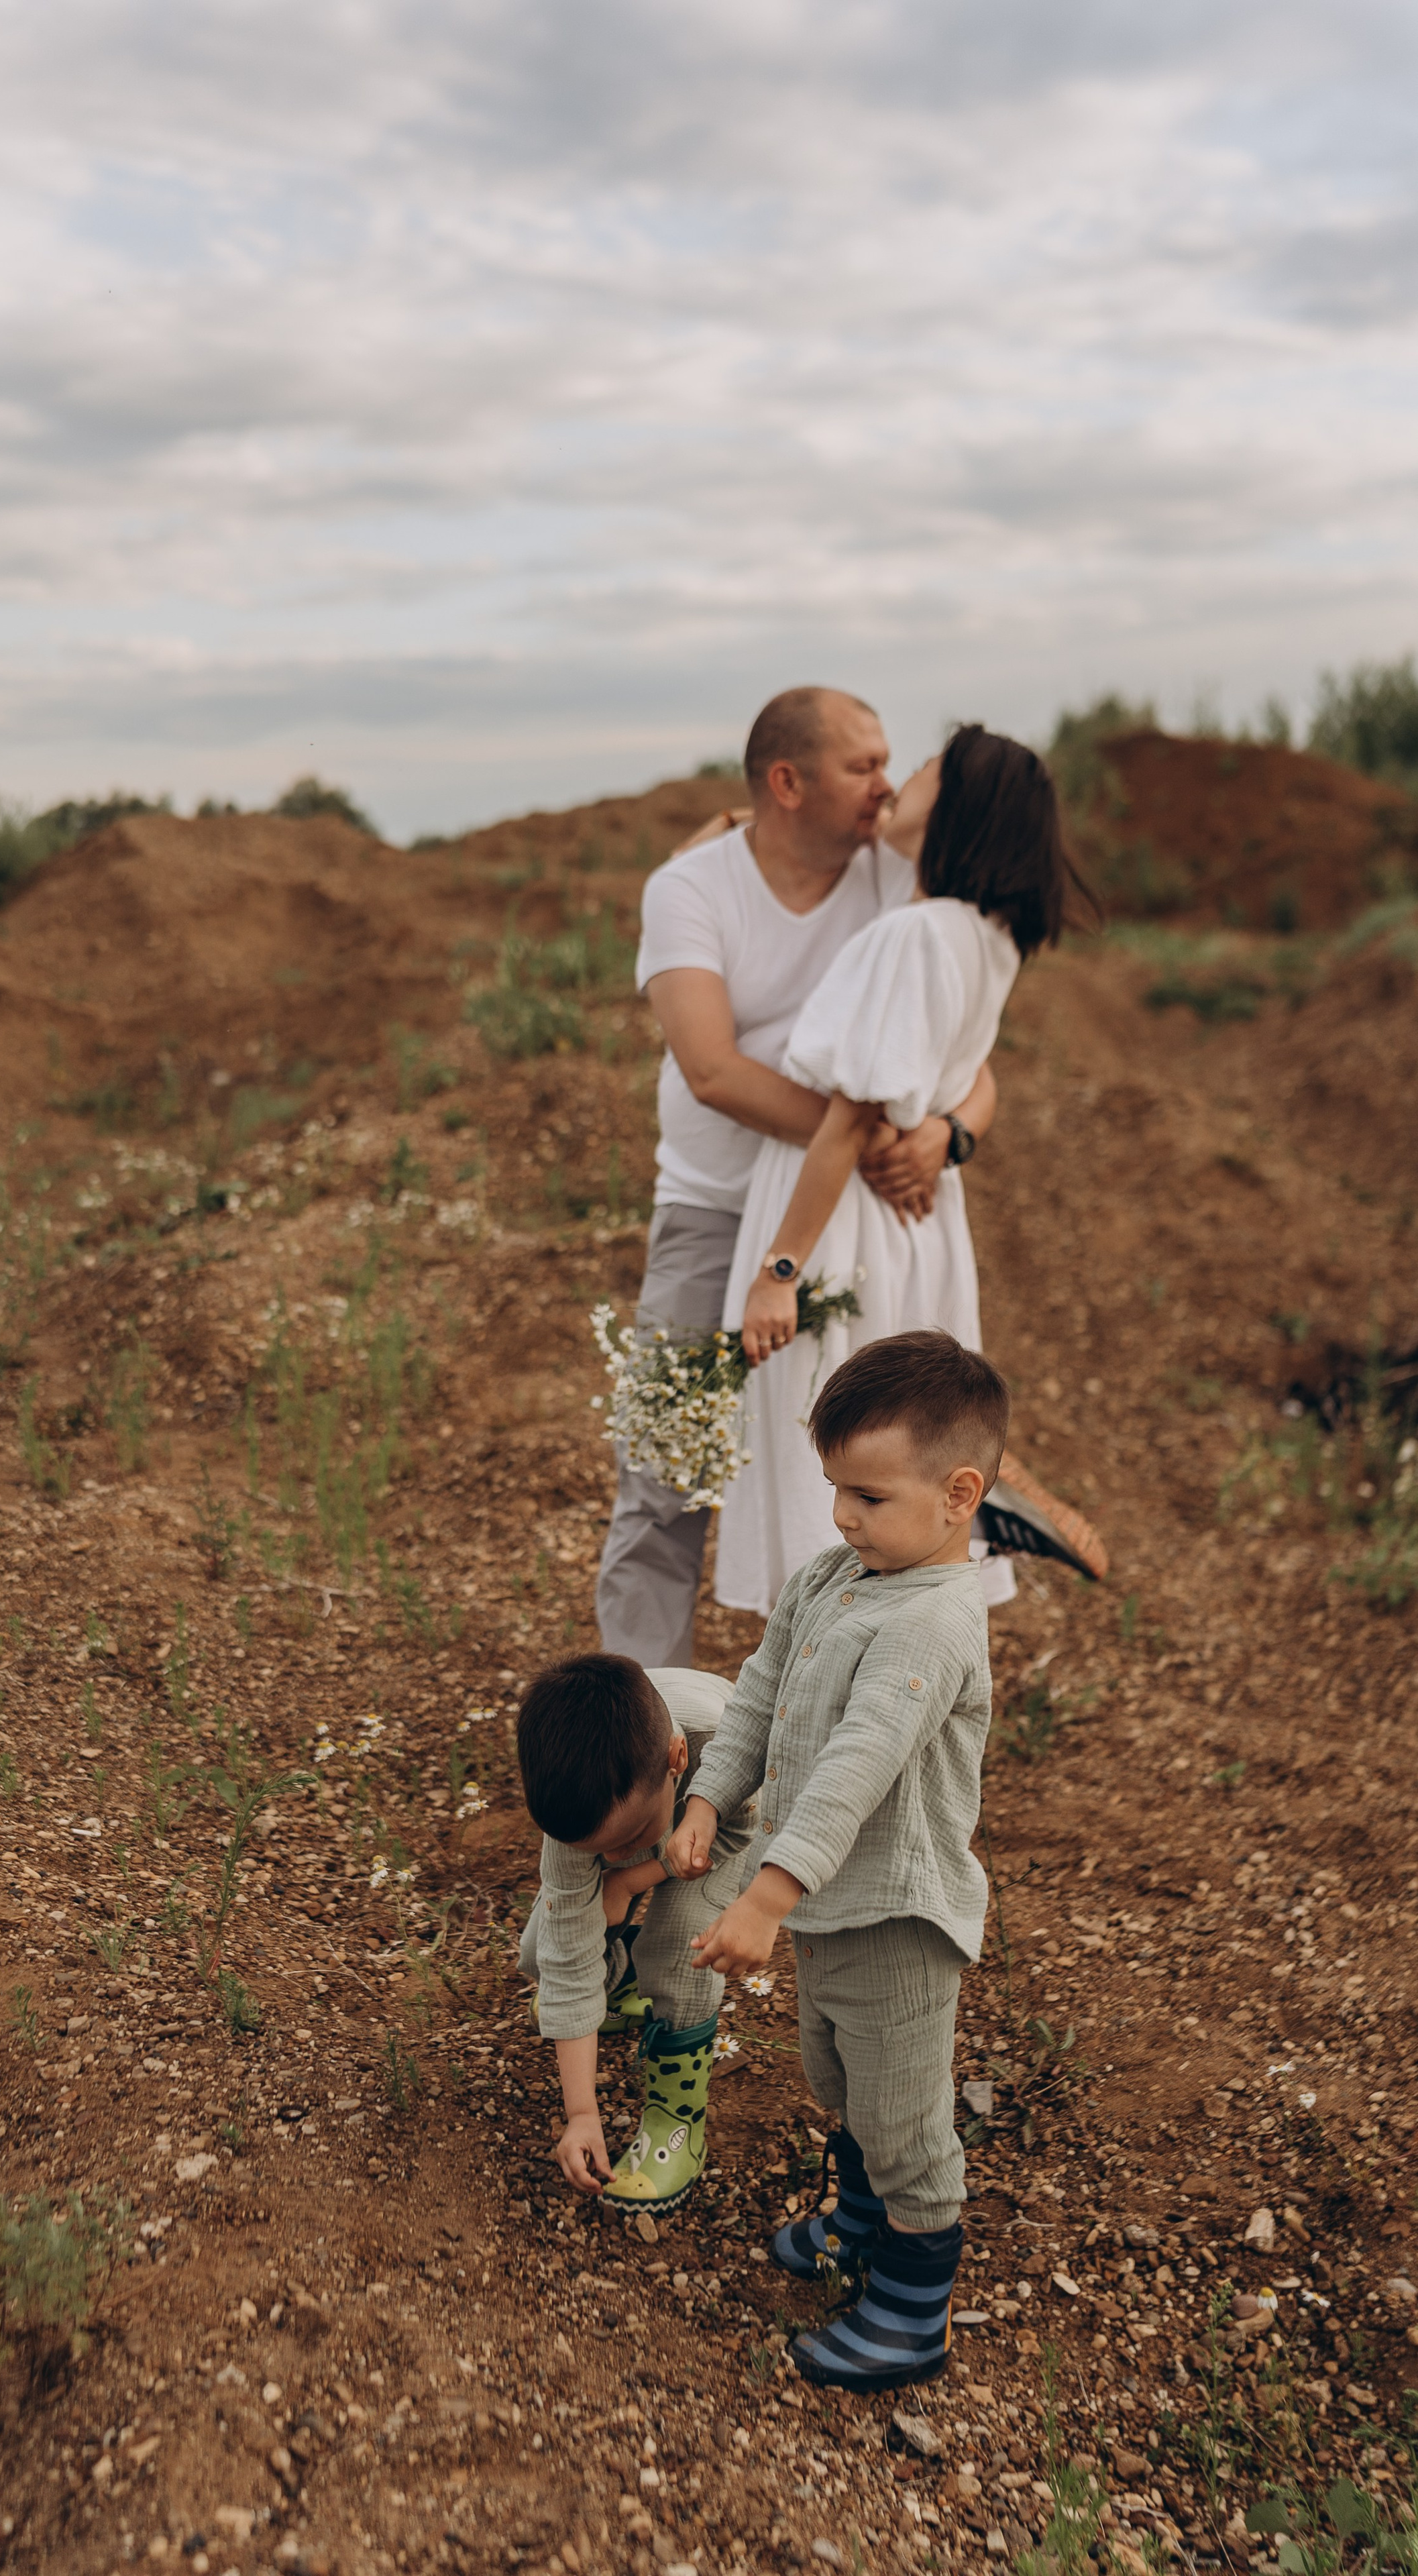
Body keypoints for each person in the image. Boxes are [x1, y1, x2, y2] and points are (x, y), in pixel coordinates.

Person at [597, 687, 997, 1669]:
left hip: (846, 1224)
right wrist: (861, 1132)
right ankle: (647, 1724)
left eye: (891, 764)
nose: (887, 785)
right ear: (788, 782)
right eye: (863, 765)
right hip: (717, 1203)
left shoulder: (891, 877)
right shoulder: (690, 890)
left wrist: (948, 1133)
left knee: (880, 1461)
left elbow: (970, 1050)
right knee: (667, 1464)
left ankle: (869, 1693)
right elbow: (713, 1069)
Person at [667, 1330, 1007, 2392]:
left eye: (869, 1497)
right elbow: (761, 1691)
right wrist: (711, 1792)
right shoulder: (835, 1576)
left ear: (959, 1494)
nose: (843, 1518)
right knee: (838, 2078)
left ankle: (911, 2313)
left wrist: (766, 1894)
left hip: (896, 1918)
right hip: (829, 1903)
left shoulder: (936, 1624)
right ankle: (858, 2225)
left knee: (903, 2120)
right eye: (835, 1491)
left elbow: (860, 1765)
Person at [713, 723, 1089, 1618]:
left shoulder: (916, 934)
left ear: (958, 802)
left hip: (843, 1220)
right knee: (899, 1440)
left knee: (838, 1445)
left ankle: (833, 1677)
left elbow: (851, 1118)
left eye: (919, 769)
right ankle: (969, 1511)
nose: (894, 784)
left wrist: (780, 1270)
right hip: (917, 1223)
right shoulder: (986, 934)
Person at [516, 1655, 756, 2208]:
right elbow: (567, 1950)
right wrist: (582, 2115)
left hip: (726, 1830)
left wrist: (633, 1877)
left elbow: (741, 1831)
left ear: (676, 1762)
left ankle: (676, 2120)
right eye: (596, 1852)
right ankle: (621, 1987)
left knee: (680, 1951)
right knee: (544, 1953)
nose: (613, 1855)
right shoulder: (586, 1798)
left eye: (628, 1838)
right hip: (655, 1798)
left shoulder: (727, 1750)